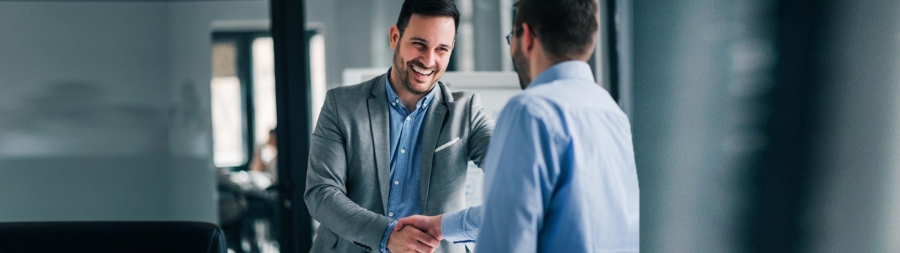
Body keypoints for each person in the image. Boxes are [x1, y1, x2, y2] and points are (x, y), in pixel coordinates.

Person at [395, 0, 640, 252]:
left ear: (527, 38)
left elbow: (506, 238)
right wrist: (442, 225)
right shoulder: (612, 114)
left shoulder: (530, 111)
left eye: (512, 36)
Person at [303, 0, 494, 252]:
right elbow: (321, 193)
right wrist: (387, 234)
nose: (428, 60)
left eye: (441, 49)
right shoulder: (342, 105)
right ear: (395, 37)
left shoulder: (466, 111)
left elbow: (516, 177)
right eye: (419, 44)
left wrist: (450, 227)